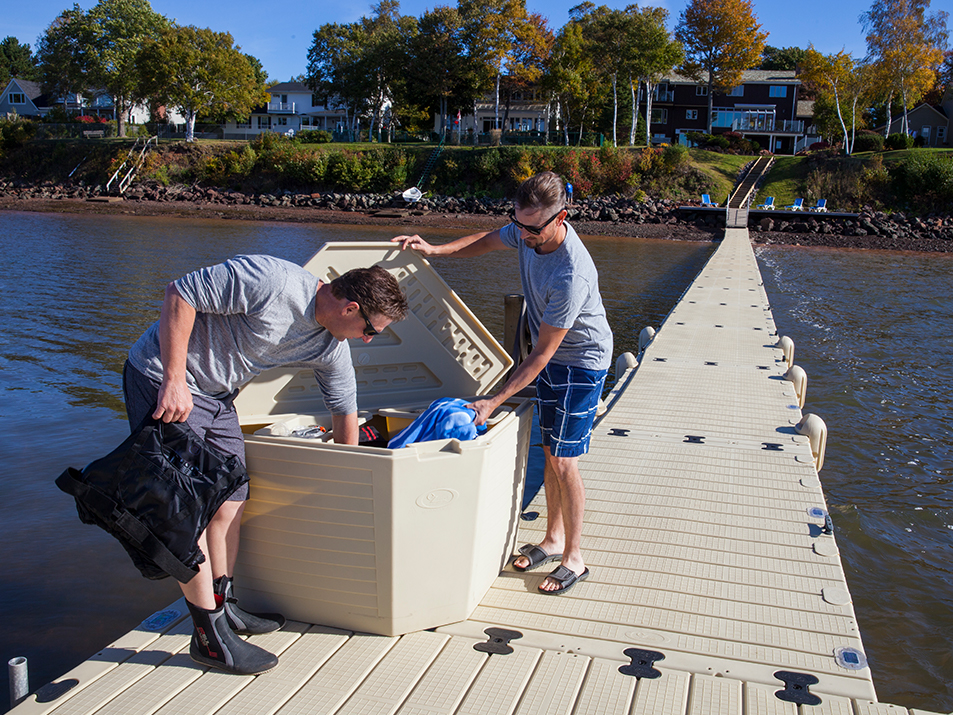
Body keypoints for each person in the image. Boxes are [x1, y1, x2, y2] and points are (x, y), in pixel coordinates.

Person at [123, 255, 408, 674]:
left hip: (217, 397)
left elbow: (345, 408)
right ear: (350, 308)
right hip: (163, 381)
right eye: (370, 330)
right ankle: (208, 636)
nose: (367, 339)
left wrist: (349, 476)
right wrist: (174, 379)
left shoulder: (330, 344)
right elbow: (179, 293)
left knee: (234, 494)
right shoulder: (271, 281)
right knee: (190, 508)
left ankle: (226, 604)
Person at [392, 171, 612, 595]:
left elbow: (542, 354)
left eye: (531, 228)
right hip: (553, 358)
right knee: (550, 453)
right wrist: (434, 249)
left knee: (565, 461)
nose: (522, 233)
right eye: (518, 222)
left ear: (559, 217)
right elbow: (488, 240)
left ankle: (575, 557)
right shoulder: (526, 229)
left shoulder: (572, 275)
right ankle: (551, 540)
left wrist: (493, 401)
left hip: (581, 363)